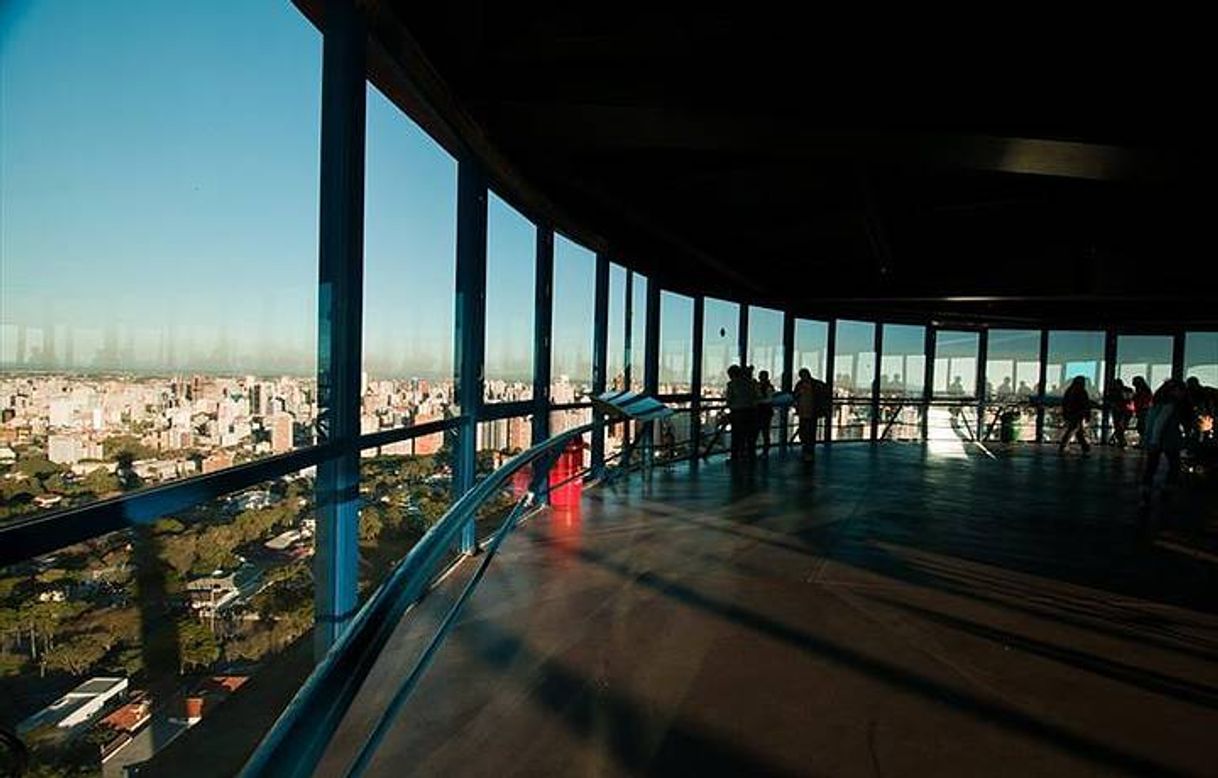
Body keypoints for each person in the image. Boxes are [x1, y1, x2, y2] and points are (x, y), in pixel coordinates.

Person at [1141, 379, 1187, 500]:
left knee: (1152, 465)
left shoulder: (1157, 403)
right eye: (1181, 390)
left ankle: (1146, 488)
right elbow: (1160, 423)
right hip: (1167, 440)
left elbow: (1154, 423)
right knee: (1174, 464)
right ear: (1175, 390)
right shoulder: (1170, 404)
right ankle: (1167, 487)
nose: (1182, 393)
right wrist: (1155, 440)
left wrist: (1152, 439)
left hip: (1156, 439)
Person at [794, 368, 828, 461]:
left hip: (808, 412)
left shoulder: (800, 385)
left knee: (808, 433)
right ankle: (808, 451)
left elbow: (794, 396)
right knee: (807, 433)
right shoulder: (816, 384)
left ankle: (808, 451)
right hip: (808, 412)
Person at [725, 365, 756, 463]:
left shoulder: (732, 384)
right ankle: (749, 455)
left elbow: (729, 399)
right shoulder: (750, 383)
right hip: (751, 412)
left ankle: (735, 456)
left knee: (736, 436)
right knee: (749, 436)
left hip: (737, 412)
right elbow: (754, 396)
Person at [1059, 376, 1092, 454]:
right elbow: (1086, 404)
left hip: (1071, 413)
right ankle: (1064, 446)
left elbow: (1065, 403)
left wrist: (1065, 413)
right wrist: (1087, 415)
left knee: (1076, 430)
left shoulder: (1070, 390)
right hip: (1078, 414)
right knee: (1074, 429)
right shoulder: (1082, 391)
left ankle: (1084, 446)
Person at [1104, 378, 1134, 448]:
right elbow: (1129, 399)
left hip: (1119, 411)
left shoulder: (1113, 392)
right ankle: (1120, 441)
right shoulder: (1127, 390)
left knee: (1118, 426)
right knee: (1121, 427)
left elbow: (1108, 400)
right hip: (1126, 411)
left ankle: (1120, 441)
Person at [755, 370, 776, 455]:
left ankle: (762, 451)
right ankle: (765, 451)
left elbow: (769, 400)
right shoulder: (768, 387)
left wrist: (758, 401)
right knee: (765, 432)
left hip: (761, 412)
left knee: (760, 432)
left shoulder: (760, 386)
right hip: (766, 412)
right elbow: (770, 399)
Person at [1132, 376, 1153, 442]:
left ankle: (1144, 441)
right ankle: (1143, 441)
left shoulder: (1142, 391)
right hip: (1142, 410)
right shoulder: (1144, 391)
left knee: (1142, 427)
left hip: (1143, 410)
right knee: (1142, 427)